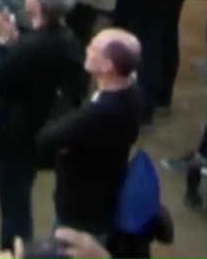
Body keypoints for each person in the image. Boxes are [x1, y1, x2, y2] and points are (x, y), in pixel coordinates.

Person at [0, 0, 87, 250]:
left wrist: (3, 42)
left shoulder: (33, 48)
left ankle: (14, 252)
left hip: (15, 137)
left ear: (37, 4)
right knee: (19, 202)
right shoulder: (69, 41)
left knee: (14, 210)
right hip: (42, 133)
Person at [36, 28, 145, 241]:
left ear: (108, 66)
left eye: (94, 48)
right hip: (103, 196)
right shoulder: (131, 90)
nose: (87, 48)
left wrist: (62, 149)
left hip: (82, 211)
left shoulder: (100, 112)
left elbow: (47, 137)